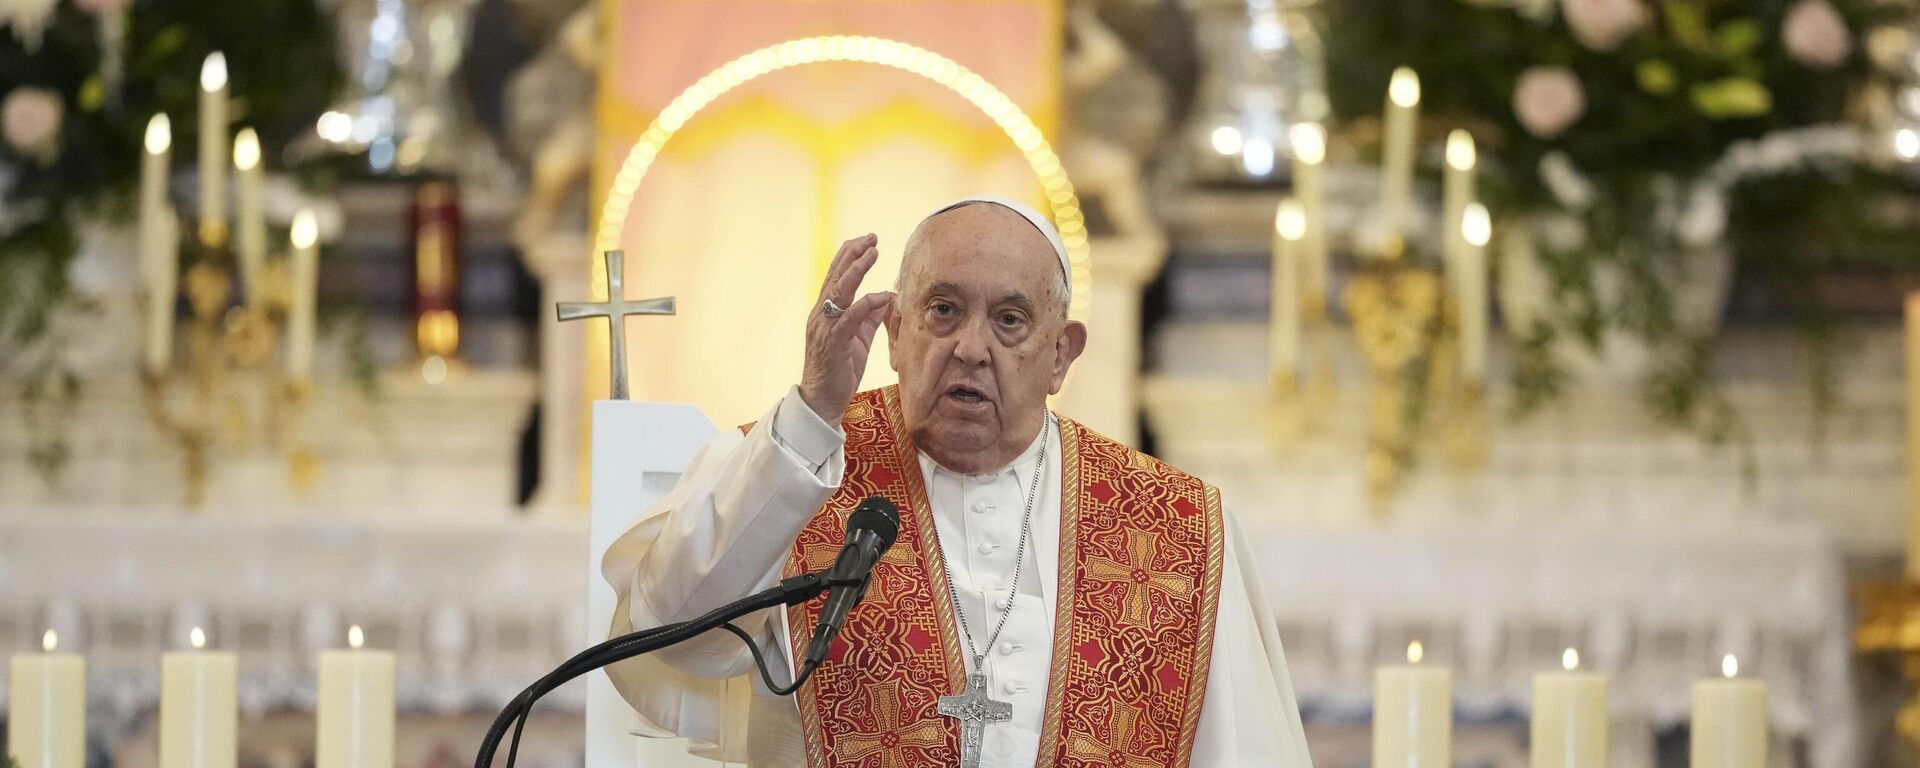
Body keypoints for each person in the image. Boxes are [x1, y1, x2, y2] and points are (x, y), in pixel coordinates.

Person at [602, 196, 1312, 767]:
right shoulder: (792, 466)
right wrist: (812, 416)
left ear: (1061, 355)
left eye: (1010, 320)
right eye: (944, 311)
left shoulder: (1176, 528)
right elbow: (673, 632)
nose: (971, 348)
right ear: (896, 333)